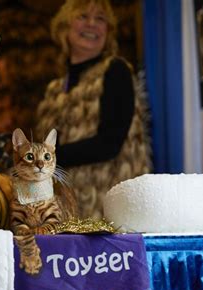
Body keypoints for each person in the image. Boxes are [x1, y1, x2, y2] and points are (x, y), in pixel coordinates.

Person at [35, 0, 151, 219]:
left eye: (100, 19)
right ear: (64, 28)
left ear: (108, 31)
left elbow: (109, 143)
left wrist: (44, 158)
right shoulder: (54, 90)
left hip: (107, 208)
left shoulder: (116, 71)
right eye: (82, 17)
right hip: (63, 206)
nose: (91, 24)